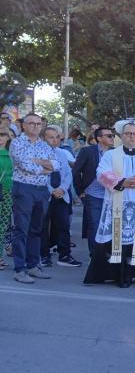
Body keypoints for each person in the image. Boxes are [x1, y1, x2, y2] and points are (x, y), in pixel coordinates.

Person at [83, 123, 135, 288]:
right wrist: (122, 182)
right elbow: (102, 173)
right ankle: (123, 277)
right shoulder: (110, 155)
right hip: (118, 205)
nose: (132, 137)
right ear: (121, 136)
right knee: (121, 241)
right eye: (128, 134)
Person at [9, 113, 57, 283]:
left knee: (37, 229)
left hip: (42, 190)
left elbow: (55, 165)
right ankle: (20, 269)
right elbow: (24, 165)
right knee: (21, 229)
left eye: (39, 124)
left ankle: (33, 265)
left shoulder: (45, 145)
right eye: (32, 123)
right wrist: (42, 165)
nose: (36, 126)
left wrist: (38, 162)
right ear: (23, 125)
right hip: (24, 189)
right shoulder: (17, 143)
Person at [40, 126, 80, 268]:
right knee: (43, 227)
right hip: (45, 196)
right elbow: (39, 174)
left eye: (57, 137)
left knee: (63, 225)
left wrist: (62, 189)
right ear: (43, 138)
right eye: (51, 137)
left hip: (62, 195)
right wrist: (52, 190)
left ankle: (64, 255)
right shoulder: (38, 153)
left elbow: (68, 174)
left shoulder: (62, 153)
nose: (55, 140)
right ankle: (43, 256)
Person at [73, 127, 114, 257]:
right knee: (94, 225)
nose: (112, 138)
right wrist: (80, 191)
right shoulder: (87, 151)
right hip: (93, 194)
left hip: (112, 194)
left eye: (112, 135)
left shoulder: (115, 153)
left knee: (110, 226)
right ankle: (95, 256)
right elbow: (76, 171)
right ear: (99, 138)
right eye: (109, 136)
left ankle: (108, 253)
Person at [0, 128, 12, 269]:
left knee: (3, 225)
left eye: (3, 135)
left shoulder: (11, 155)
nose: (1, 138)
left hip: (8, 192)